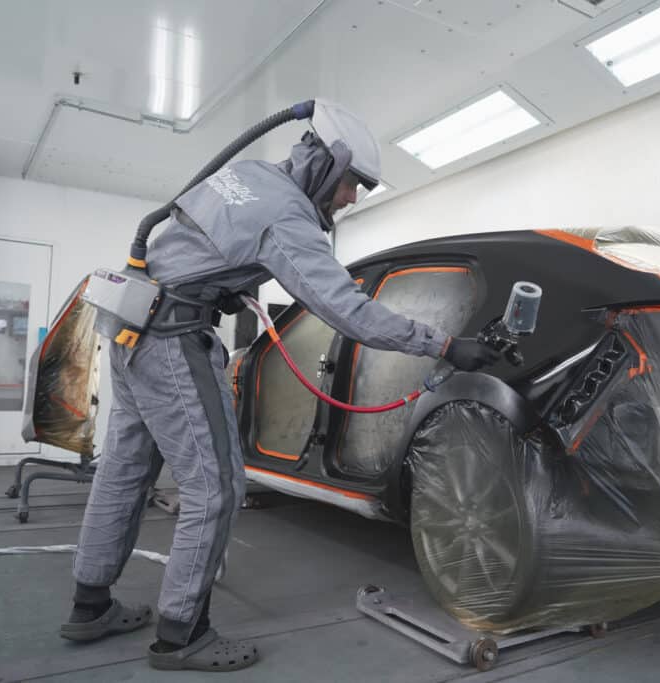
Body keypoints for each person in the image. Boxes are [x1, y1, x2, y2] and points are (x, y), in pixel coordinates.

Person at [59, 99, 500, 672]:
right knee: (216, 487)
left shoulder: (250, 176)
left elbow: (201, 246)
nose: (351, 198)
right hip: (172, 339)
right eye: (351, 184)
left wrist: (227, 287)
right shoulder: (286, 216)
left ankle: (90, 605)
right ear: (325, 163)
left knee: (124, 470)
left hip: (130, 328)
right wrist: (445, 345)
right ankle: (182, 635)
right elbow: (349, 311)